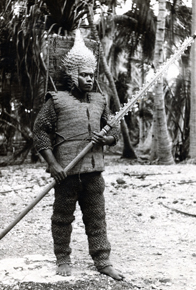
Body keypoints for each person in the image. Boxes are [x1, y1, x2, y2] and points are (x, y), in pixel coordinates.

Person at [33, 30, 124, 280]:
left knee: (96, 218)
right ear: (73, 75)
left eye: (91, 75)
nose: (88, 79)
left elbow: (114, 129)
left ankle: (103, 260)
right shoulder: (56, 101)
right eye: (83, 74)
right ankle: (63, 258)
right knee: (62, 218)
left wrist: (105, 139)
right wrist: (52, 164)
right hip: (67, 172)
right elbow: (40, 133)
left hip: (94, 172)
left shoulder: (100, 101)